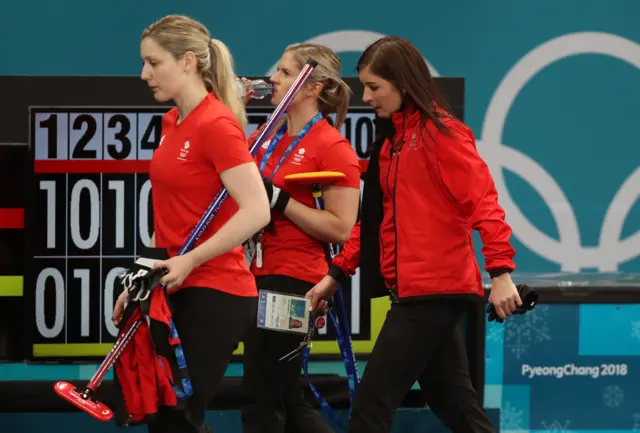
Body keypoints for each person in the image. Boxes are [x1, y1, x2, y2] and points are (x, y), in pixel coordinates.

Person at [305, 36, 522, 433]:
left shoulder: (443, 134)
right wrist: (336, 274)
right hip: (413, 292)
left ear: (403, 84)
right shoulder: (392, 145)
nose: (366, 97)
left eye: (374, 87)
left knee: (371, 406)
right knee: (454, 404)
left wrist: (501, 271)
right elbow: (374, 225)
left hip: (433, 293)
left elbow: (483, 202)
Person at [112, 14, 271, 433]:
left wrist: (191, 259)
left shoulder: (216, 124)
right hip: (171, 284)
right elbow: (169, 218)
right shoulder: (172, 122)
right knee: (163, 417)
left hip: (217, 289)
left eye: (153, 62)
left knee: (180, 418)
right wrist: (140, 277)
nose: (144, 74)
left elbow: (257, 210)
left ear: (186, 61)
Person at [239, 43, 362, 433]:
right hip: (254, 275)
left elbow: (342, 228)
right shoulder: (265, 136)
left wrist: (281, 201)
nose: (273, 78)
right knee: (286, 395)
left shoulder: (332, 147)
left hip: (293, 283)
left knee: (263, 394)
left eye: (285, 73)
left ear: (312, 87)